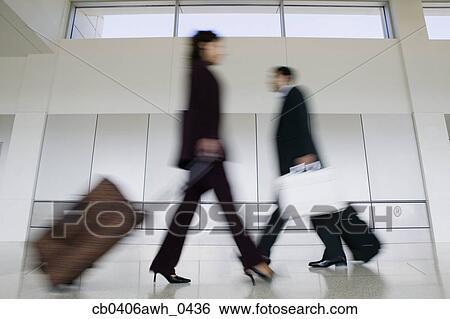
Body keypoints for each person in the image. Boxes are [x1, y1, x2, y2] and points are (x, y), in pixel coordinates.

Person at [149, 31, 273, 284]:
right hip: (208, 155)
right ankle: (254, 260)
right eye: (217, 46)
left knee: (185, 214)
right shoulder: (199, 72)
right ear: (204, 46)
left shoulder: (200, 71)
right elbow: (196, 110)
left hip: (204, 154)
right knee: (229, 210)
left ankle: (163, 264)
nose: (221, 51)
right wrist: (205, 140)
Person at [257, 66, 380, 268]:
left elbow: (302, 123)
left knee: (287, 209)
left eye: (275, 76)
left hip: (302, 165)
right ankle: (337, 253)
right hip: (298, 166)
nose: (273, 80)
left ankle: (261, 254)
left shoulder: (295, 93)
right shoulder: (286, 98)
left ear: (284, 77)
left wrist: (306, 154)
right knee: (322, 213)